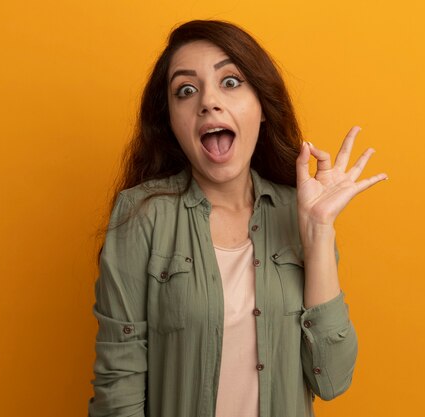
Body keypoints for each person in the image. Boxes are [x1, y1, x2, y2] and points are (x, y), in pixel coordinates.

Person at [88, 19, 388, 417]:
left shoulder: (301, 214)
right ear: (172, 123)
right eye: (186, 90)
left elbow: (332, 380)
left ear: (262, 107)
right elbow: (118, 390)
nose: (208, 102)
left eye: (230, 82)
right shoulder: (142, 217)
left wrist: (317, 233)